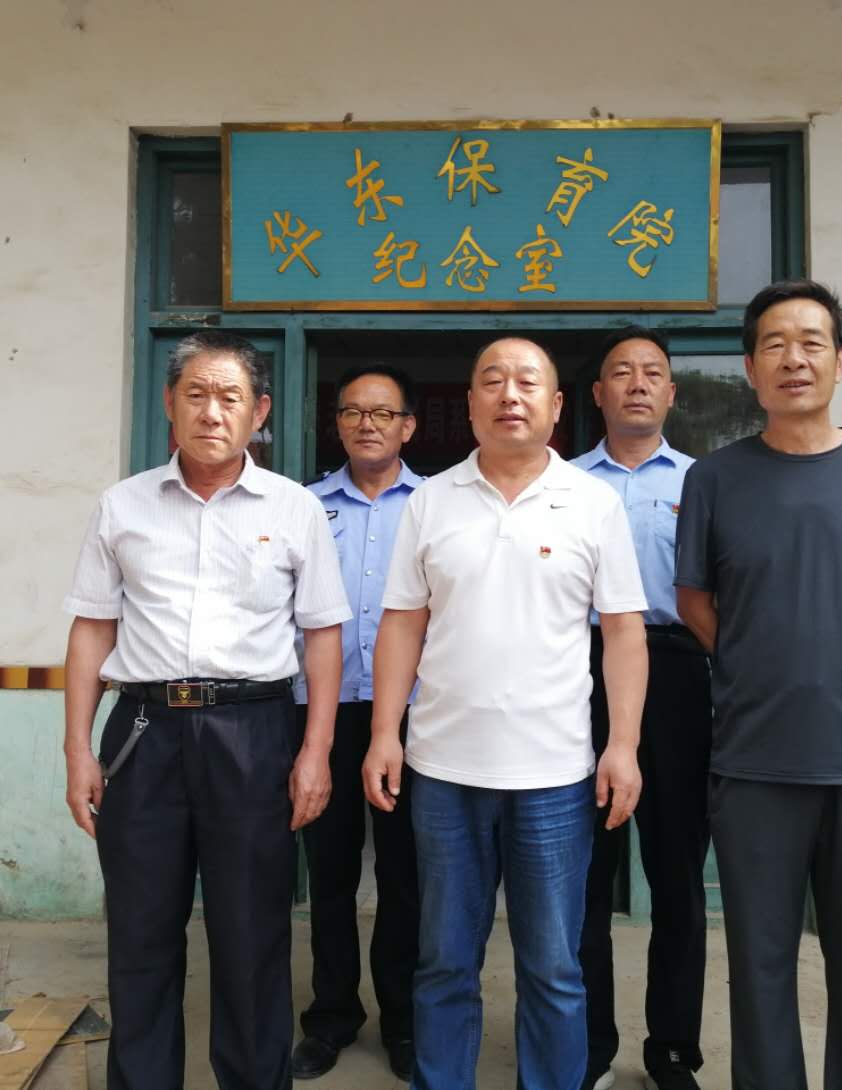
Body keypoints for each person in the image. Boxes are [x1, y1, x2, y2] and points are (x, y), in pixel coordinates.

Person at [62, 331, 351, 1090]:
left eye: (229, 397)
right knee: (141, 935)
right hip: (144, 733)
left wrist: (315, 751)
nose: (211, 411)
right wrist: (79, 749)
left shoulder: (294, 508)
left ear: (259, 412)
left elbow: (323, 636)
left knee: (252, 935)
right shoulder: (123, 505)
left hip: (253, 733)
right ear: (170, 403)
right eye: (196, 393)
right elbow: (92, 629)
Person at [362, 336, 649, 1090]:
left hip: (555, 777)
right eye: (493, 381)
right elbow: (402, 622)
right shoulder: (431, 501)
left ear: (556, 406)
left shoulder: (593, 502)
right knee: (444, 960)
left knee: (553, 965)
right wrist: (384, 733)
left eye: (527, 382)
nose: (509, 395)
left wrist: (622, 745)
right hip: (442, 772)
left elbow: (623, 632)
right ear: (470, 404)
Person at [675, 280, 842, 1090]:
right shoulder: (716, 479)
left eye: (811, 342)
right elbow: (695, 602)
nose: (794, 359)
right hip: (754, 763)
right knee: (758, 970)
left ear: (840, 361)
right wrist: (764, 664)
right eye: (775, 345)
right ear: (751, 369)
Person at [572, 327, 713, 1090]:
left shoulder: (705, 482)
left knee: (677, 874)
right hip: (580, 675)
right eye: (621, 373)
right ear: (597, 394)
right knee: (584, 878)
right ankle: (589, 1046)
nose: (636, 383)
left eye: (652, 372)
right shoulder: (563, 482)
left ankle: (672, 1050)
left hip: (680, 675)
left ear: (670, 393)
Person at [290, 365, 423, 1082]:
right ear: (337, 424)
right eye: (353, 412)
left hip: (414, 717)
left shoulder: (437, 506)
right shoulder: (306, 507)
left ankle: (404, 1020)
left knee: (408, 876)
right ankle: (333, 1013)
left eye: (383, 413)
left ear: (408, 426)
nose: (367, 424)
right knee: (331, 872)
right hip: (324, 715)